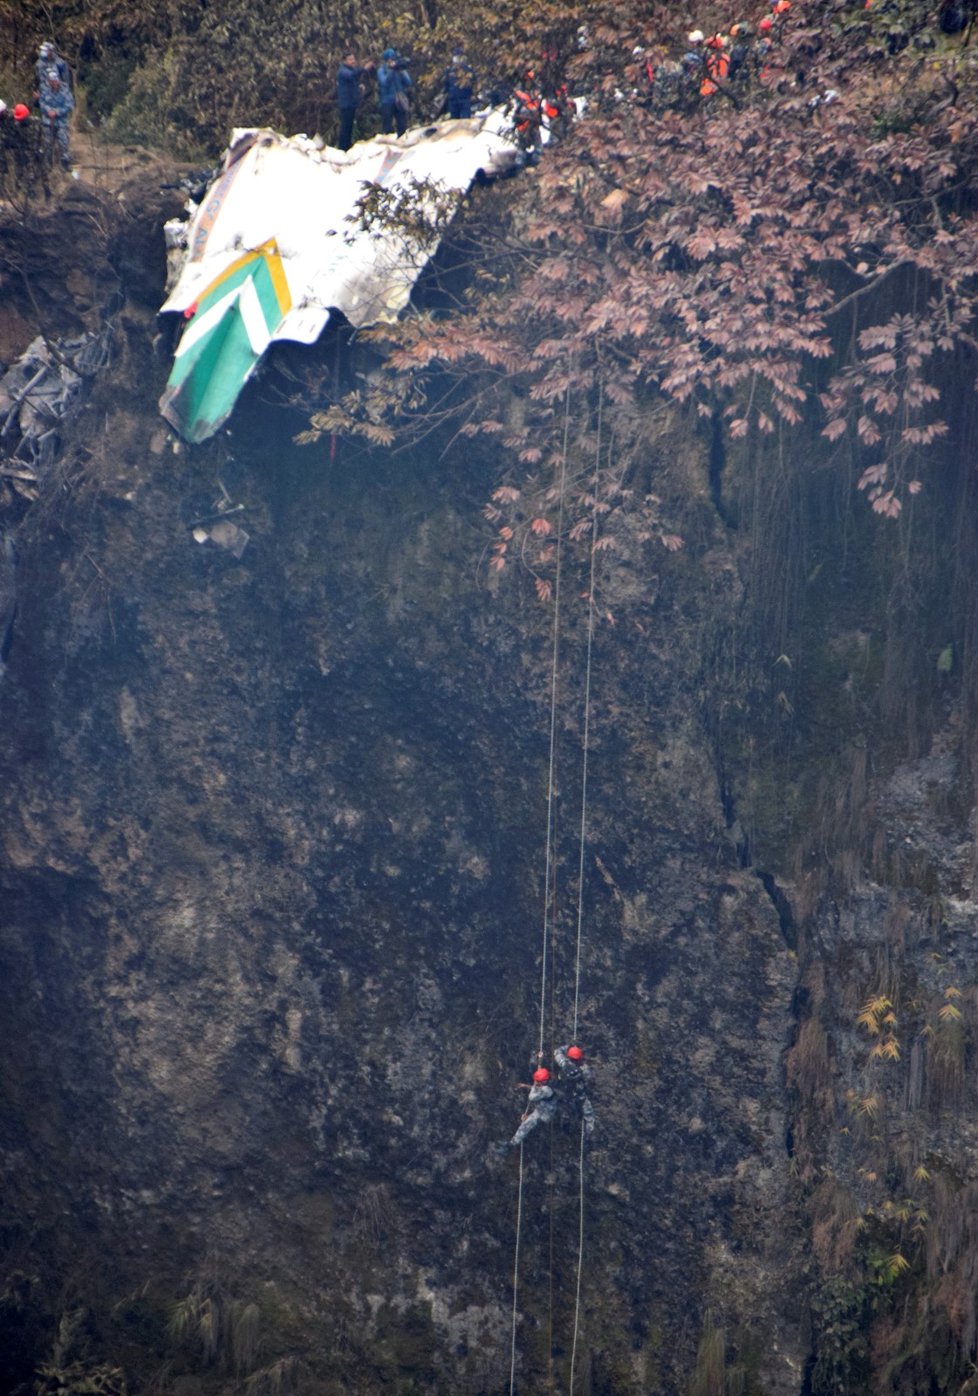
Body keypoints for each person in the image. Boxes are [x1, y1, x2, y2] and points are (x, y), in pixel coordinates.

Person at [499, 1066, 557, 1151]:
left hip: (545, 1114)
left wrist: (533, 1086)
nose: (535, 1082)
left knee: (527, 1123)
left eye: (537, 1082)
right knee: (528, 1118)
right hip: (544, 1106)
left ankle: (511, 1144)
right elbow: (539, 1089)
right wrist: (526, 1086)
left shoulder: (546, 1090)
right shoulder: (549, 1082)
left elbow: (532, 1097)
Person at [38, 67, 75, 175]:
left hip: (61, 122)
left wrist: (57, 112)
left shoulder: (65, 91)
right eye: (50, 81)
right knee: (47, 143)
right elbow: (42, 103)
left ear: (57, 80)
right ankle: (48, 166)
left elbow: (69, 105)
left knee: (63, 142)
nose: (53, 83)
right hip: (48, 122)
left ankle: (65, 164)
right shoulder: (45, 91)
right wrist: (48, 111)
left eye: (54, 81)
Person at [555, 1044, 596, 1139]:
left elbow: (557, 1052)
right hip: (580, 1096)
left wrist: (567, 1046)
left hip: (566, 1096)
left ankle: (565, 1131)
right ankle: (588, 1136)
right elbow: (589, 1079)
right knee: (589, 1116)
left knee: (566, 1114)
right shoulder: (583, 1069)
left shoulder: (564, 1063)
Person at [336, 52, 373, 151]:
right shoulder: (343, 71)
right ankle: (342, 148)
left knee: (349, 127)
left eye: (353, 59)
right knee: (345, 127)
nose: (353, 61)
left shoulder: (350, 70)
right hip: (346, 103)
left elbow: (352, 82)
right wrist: (364, 69)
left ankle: (347, 146)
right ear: (345, 61)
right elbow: (351, 75)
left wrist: (359, 87)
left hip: (352, 103)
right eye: (350, 59)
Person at [377, 48, 411, 136]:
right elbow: (384, 83)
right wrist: (391, 71)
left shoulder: (399, 69)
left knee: (402, 126)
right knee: (387, 127)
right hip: (387, 101)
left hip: (399, 101)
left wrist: (401, 71)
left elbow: (408, 82)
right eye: (390, 59)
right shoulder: (381, 71)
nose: (392, 61)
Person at [444, 47, 476, 119]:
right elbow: (446, 84)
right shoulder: (449, 70)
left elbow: (473, 82)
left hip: (465, 98)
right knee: (454, 120)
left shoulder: (468, 69)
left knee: (465, 119)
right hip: (453, 99)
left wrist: (472, 94)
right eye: (456, 57)